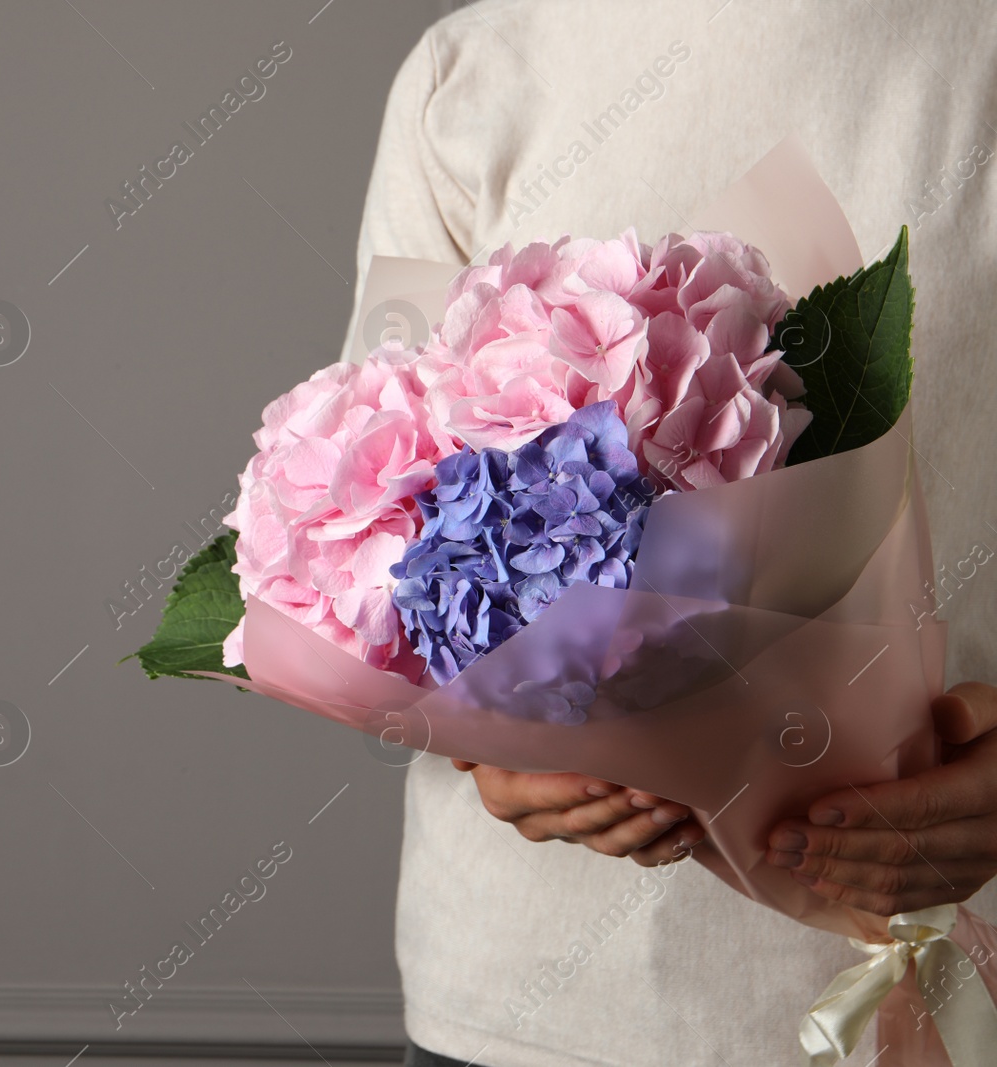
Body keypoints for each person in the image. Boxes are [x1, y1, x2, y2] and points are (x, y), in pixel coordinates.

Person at [338, 1, 997, 1063]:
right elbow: (365, 532)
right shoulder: (473, 74)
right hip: (519, 1008)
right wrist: (478, 737)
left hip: (922, 993)